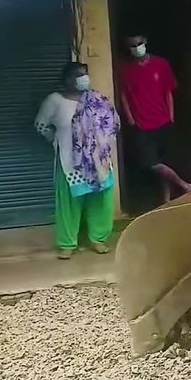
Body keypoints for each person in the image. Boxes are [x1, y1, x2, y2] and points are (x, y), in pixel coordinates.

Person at [35, 62, 120, 259]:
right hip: (69, 162)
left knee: (100, 201)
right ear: (66, 79)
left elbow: (113, 123)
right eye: (77, 75)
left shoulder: (97, 99)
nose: (82, 78)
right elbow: (41, 125)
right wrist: (57, 140)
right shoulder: (54, 101)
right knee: (69, 203)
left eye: (84, 74)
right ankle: (67, 244)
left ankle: (98, 239)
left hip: (99, 163)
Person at [118, 35, 191, 203]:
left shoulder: (161, 64)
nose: (137, 47)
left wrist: (170, 116)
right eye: (132, 45)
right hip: (141, 124)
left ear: (145, 43)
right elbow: (123, 95)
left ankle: (166, 201)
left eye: (139, 44)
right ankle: (184, 185)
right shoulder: (125, 69)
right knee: (151, 163)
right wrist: (130, 118)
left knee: (165, 162)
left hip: (163, 121)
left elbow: (168, 92)